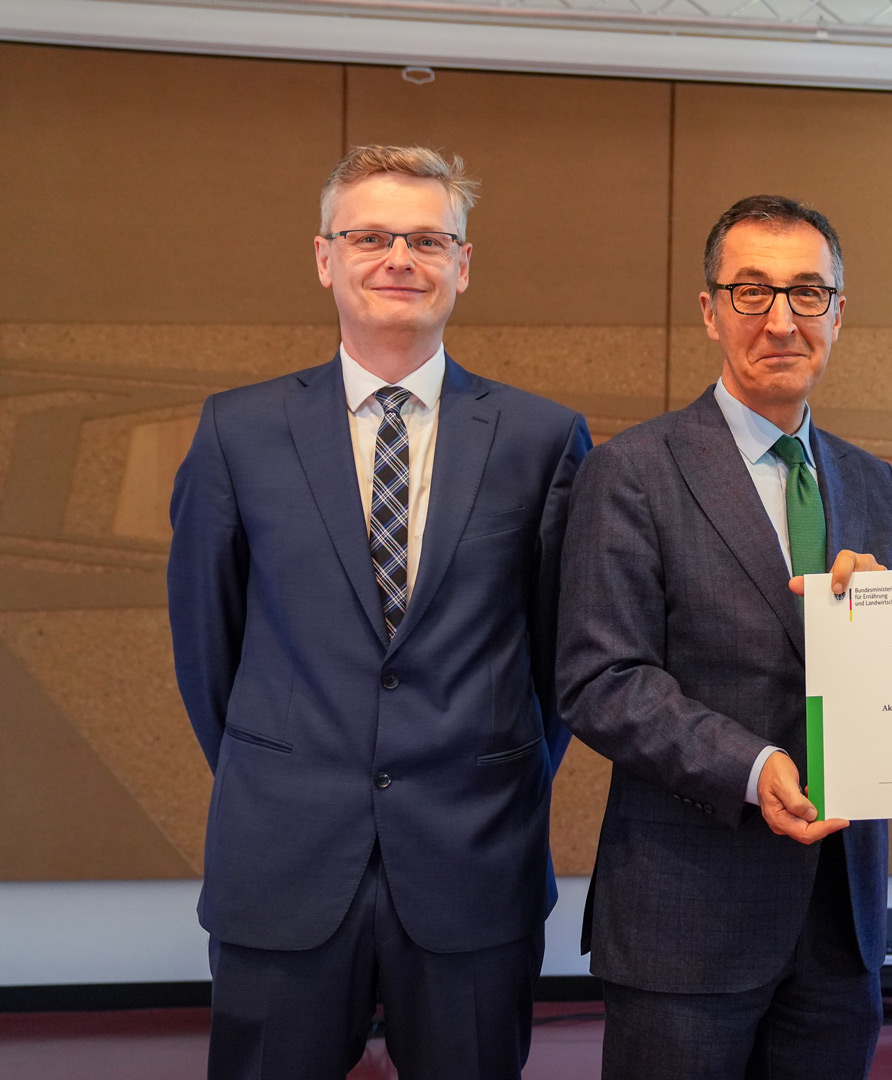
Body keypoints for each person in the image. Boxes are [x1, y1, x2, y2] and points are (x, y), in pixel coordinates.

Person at [167, 145, 591, 1079]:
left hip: (474, 861)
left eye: (427, 239)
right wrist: (280, 765)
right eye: (369, 236)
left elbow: (560, 661)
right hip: (283, 859)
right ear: (326, 257)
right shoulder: (236, 432)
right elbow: (209, 647)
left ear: (462, 265)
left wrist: (498, 772)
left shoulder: (542, 439)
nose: (398, 257)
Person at [557, 195, 892, 1080]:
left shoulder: (874, 485)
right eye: (752, 292)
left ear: (838, 314)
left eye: (808, 294)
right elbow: (600, 678)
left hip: (841, 925)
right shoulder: (633, 471)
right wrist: (752, 766)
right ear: (710, 310)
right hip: (684, 925)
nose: (782, 320)